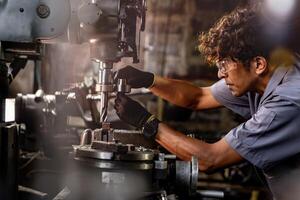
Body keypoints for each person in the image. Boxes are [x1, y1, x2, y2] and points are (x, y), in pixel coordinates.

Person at [114, 3, 300, 199]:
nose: (220, 74)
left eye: (225, 64)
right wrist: (148, 80)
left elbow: (210, 159)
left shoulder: (286, 103)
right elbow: (198, 97)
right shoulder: (270, 73)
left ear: (258, 64)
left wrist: (146, 123)